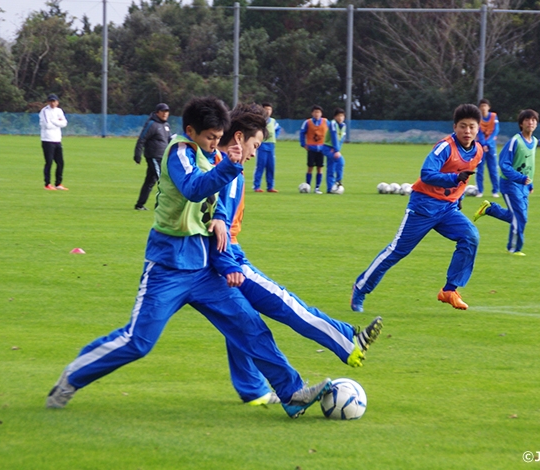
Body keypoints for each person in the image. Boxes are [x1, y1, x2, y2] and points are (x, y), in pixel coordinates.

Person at [46, 96, 332, 419]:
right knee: (138, 341)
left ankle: (291, 393)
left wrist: (225, 244)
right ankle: (72, 377)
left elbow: (217, 208)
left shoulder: (213, 157)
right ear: (191, 131)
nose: (215, 143)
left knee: (249, 325)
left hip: (203, 270)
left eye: (218, 137)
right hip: (167, 267)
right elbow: (195, 188)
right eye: (210, 137)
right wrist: (228, 166)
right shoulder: (179, 153)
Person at [211, 103, 383, 405]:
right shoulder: (225, 169)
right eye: (255, 144)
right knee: (284, 303)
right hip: (228, 257)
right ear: (238, 137)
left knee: (240, 321)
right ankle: (347, 340)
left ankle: (253, 389)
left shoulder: (219, 163)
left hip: (223, 256)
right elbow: (219, 224)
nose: (254, 152)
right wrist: (228, 264)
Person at [350, 104, 483, 312]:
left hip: (448, 209)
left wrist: (458, 198)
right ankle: (360, 288)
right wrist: (454, 179)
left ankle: (449, 290)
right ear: (454, 127)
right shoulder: (445, 147)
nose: (467, 131)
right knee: (397, 251)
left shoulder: (478, 151)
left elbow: (464, 179)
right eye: (463, 126)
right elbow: (427, 174)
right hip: (424, 206)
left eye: (472, 127)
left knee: (471, 236)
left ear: (478, 129)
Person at [473, 110, 539, 256]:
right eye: (527, 120)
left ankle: (489, 209)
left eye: (534, 120)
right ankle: (514, 249)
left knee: (519, 217)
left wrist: (530, 183)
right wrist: (520, 178)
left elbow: (529, 164)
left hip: (524, 186)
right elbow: (504, 164)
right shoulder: (515, 141)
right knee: (520, 217)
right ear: (521, 123)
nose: (531, 122)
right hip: (510, 184)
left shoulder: (535, 142)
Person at [133, 103, 172, 210]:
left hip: (163, 158)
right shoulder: (152, 124)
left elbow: (169, 141)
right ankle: (160, 205)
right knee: (163, 180)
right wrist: (137, 155)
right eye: (163, 111)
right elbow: (142, 139)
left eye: (167, 111)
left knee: (150, 181)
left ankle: (139, 205)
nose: (165, 114)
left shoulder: (166, 126)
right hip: (154, 156)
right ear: (157, 112)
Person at [39, 94, 68, 190]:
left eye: (54, 101)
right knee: (49, 162)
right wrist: (57, 123)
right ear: (48, 102)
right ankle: (47, 184)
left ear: (57, 102)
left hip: (57, 139)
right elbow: (47, 125)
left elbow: (64, 123)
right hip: (47, 139)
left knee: (60, 162)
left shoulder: (59, 111)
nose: (52, 103)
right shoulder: (44, 111)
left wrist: (54, 121)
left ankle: (58, 183)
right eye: (50, 101)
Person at [253, 102, 281, 193]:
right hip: (262, 145)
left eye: (269, 109)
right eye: (266, 109)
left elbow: (278, 129)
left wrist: (275, 137)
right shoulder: (259, 121)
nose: (267, 111)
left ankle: (270, 186)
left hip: (271, 146)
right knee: (260, 166)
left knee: (271, 167)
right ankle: (256, 186)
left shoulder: (273, 121)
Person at [299, 105, 328, 194]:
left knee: (320, 168)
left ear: (321, 113)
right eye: (315, 112)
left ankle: (317, 188)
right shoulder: (307, 122)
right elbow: (302, 133)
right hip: (311, 148)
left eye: (318, 112)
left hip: (321, 149)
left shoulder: (326, 122)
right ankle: (307, 186)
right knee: (310, 168)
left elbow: (331, 133)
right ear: (312, 113)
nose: (317, 114)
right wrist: (304, 144)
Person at [475, 98, 500, 198]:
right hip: (480, 146)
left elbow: (496, 131)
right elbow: (479, 132)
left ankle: (495, 191)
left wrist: (488, 143)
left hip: (491, 146)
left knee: (493, 169)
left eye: (485, 106)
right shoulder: (478, 118)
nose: (483, 108)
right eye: (481, 106)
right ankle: (480, 191)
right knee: (479, 169)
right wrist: (483, 144)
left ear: (489, 107)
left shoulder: (494, 116)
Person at [321, 108, 347, 194]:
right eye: (339, 116)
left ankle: (330, 189)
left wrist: (338, 149)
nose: (341, 118)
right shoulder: (332, 124)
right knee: (341, 161)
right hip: (327, 148)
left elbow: (341, 140)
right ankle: (338, 181)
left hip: (334, 149)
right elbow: (334, 136)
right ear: (335, 117)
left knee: (331, 167)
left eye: (342, 116)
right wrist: (336, 150)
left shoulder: (343, 126)